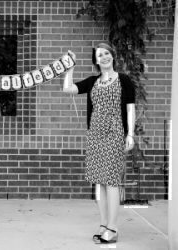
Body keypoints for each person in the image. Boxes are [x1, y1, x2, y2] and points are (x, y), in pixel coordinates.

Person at [63, 42, 135, 244]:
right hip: (95, 133)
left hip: (115, 132)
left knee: (111, 181)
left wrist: (130, 134)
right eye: (99, 55)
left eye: (106, 53)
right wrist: (70, 69)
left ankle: (113, 229)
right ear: (95, 60)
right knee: (101, 181)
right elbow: (68, 89)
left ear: (112, 55)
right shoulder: (93, 81)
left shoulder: (124, 80)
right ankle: (104, 224)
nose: (103, 57)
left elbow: (130, 108)